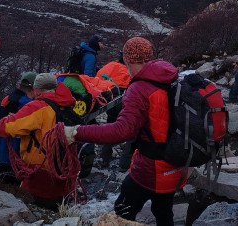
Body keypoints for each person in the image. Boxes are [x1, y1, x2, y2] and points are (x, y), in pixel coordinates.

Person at [64, 37, 184, 226]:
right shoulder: (167, 76)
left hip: (151, 166)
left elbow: (122, 131)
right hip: (175, 161)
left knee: (122, 210)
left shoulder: (139, 88)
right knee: (163, 211)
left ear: (127, 59)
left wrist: (76, 132)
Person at [0, 73, 77, 203]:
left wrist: (5, 120)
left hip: (40, 174)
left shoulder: (38, 106)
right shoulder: (67, 104)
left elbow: (8, 127)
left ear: (36, 89)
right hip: (64, 173)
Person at [0, 71, 36, 182]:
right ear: (34, 88)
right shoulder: (32, 107)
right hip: (23, 162)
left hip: (2, 159)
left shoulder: (4, 102)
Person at [96, 52, 133, 169]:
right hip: (126, 101)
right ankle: (125, 162)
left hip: (111, 98)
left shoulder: (111, 65)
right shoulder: (131, 70)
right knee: (133, 130)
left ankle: (104, 157)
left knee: (111, 126)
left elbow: (98, 76)